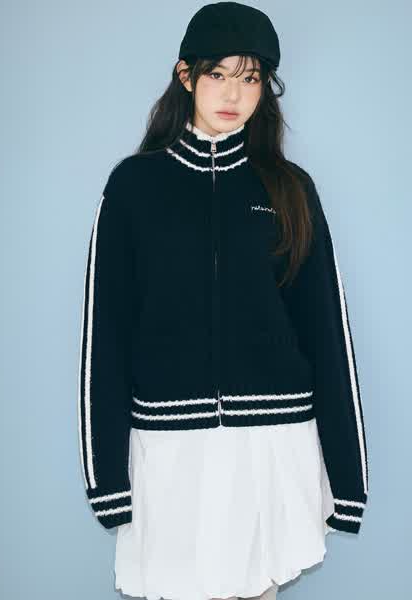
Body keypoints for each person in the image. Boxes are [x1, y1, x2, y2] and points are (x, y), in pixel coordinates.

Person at [77, 2, 369, 599]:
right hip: (171, 446)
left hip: (273, 444)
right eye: (218, 74)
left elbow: (327, 334)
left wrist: (348, 481)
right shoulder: (134, 186)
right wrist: (107, 481)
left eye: (251, 78)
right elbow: (103, 336)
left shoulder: (289, 188)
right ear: (186, 76)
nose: (234, 93)